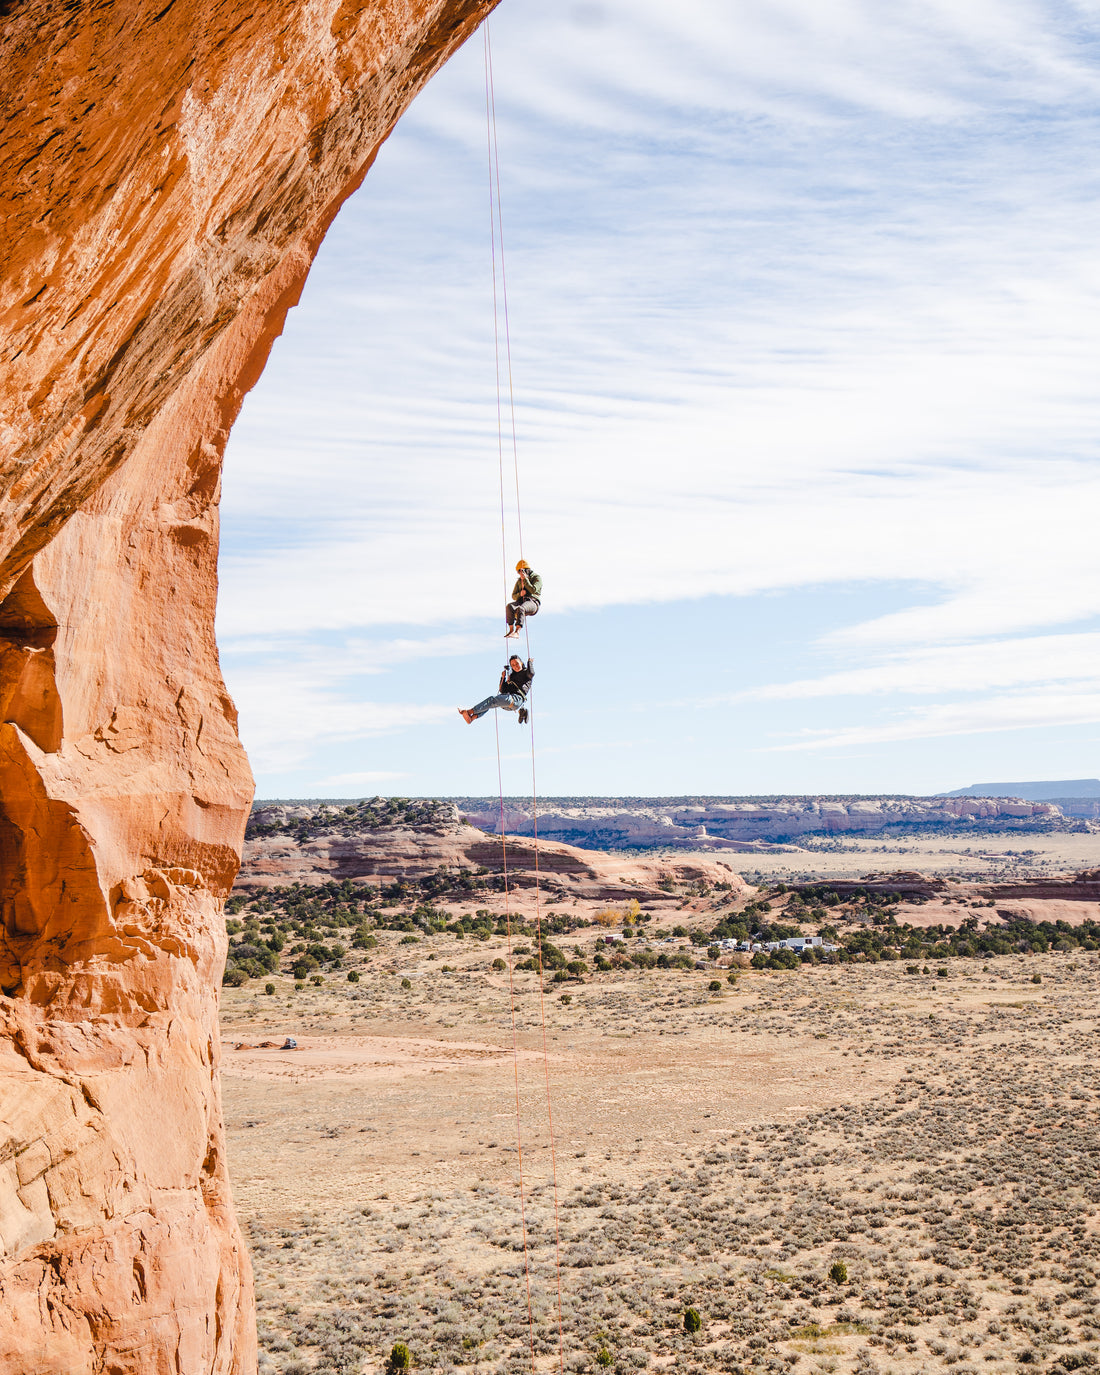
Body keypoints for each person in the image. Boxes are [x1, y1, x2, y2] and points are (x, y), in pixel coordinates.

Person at [459, 655, 534, 724]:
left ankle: (469, 712)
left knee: (492, 700)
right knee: (489, 704)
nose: (515, 666)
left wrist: (529, 662)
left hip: (516, 699)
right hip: (507, 703)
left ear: (521, 663)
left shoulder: (526, 673)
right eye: (513, 665)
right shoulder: (512, 676)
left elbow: (531, 673)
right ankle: (472, 718)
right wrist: (503, 677)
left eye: (517, 663)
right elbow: (502, 690)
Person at [505, 559, 542, 638]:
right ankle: (511, 630)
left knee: (521, 608)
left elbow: (533, 590)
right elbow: (513, 595)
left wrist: (525, 580)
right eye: (519, 572)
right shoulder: (519, 581)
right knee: (509, 607)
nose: (520, 574)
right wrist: (520, 594)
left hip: (532, 602)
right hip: (521, 601)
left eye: (521, 571)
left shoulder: (536, 578)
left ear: (526, 570)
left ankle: (517, 632)